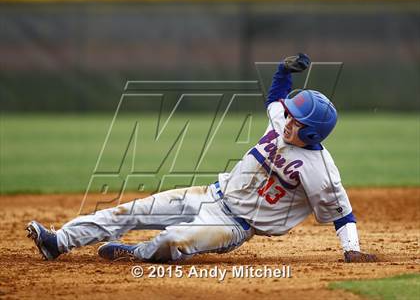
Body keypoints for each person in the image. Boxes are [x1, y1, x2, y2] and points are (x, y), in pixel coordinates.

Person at [27, 53, 377, 263]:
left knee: (173, 240)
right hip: (210, 195)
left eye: (298, 121)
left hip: (233, 227)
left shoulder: (321, 170)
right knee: (128, 211)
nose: (289, 121)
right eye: (290, 115)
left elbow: (342, 213)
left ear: (313, 134)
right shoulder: (282, 122)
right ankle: (58, 242)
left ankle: (136, 255)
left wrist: (352, 250)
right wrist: (284, 71)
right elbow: (276, 97)